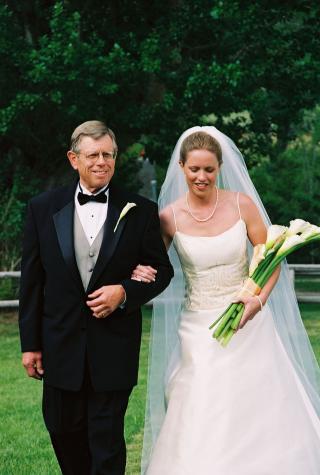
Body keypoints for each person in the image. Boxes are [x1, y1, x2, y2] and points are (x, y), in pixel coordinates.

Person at [132, 127, 320, 474]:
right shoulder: (168, 217)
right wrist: (139, 273)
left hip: (249, 321)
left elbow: (271, 259)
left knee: (257, 403)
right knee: (202, 401)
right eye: (194, 169)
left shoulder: (241, 204)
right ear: (181, 166)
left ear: (219, 168)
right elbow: (156, 263)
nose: (201, 177)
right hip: (197, 326)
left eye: (208, 169)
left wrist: (257, 300)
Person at [18, 120, 173, 475]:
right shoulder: (42, 208)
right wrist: (30, 345)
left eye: (109, 154)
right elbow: (32, 282)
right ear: (74, 159)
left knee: (106, 443)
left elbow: (161, 271)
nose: (102, 161)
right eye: (93, 155)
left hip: (114, 348)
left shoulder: (140, 210)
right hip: (59, 344)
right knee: (62, 432)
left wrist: (125, 292)